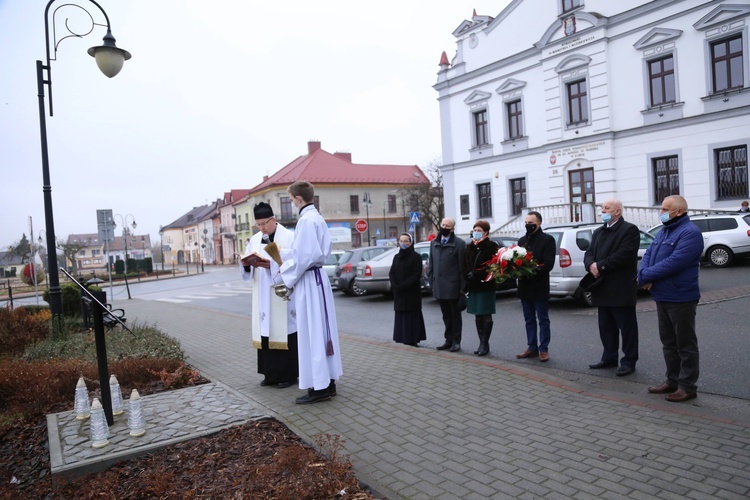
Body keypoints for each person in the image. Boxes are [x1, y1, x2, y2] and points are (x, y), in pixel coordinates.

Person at [274, 181, 343, 404]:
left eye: (292, 199)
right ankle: (328, 381)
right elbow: (304, 252)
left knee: (311, 332)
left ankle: (319, 387)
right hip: (318, 278)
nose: (292, 203)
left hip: (309, 282)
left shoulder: (305, 221)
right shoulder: (318, 218)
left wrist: (283, 272)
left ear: (298, 198)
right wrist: (282, 253)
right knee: (323, 331)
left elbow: (303, 259)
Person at [638, 195, 704, 402]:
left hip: (681, 296)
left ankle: (687, 386)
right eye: (661, 208)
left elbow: (675, 262)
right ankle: (672, 380)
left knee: (685, 344)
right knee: (668, 342)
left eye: (666, 209)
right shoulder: (664, 230)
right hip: (662, 294)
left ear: (679, 212)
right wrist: (642, 273)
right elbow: (648, 254)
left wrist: (646, 276)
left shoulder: (690, 233)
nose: (661, 212)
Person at [240, 202, 298, 388]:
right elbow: (248, 263)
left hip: (282, 291)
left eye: (264, 223)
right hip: (262, 292)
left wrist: (273, 265)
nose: (262, 228)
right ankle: (270, 374)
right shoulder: (255, 239)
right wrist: (247, 264)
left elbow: (295, 263)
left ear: (273, 220)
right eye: (258, 224)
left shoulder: (289, 237)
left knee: (283, 332)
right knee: (265, 331)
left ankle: (288, 375)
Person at [584, 199, 641, 376]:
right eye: (602, 208)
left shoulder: (629, 230)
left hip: (620, 287)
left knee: (627, 328)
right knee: (606, 326)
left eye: (607, 208)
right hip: (602, 286)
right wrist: (590, 264)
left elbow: (623, 255)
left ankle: (629, 361)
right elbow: (589, 252)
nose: (603, 211)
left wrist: (599, 267)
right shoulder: (599, 231)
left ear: (617, 212)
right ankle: (609, 357)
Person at [515, 211, 556, 362]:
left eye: (530, 223)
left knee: (543, 319)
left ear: (538, 224)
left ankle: (543, 349)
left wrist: (530, 268)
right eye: (526, 223)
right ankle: (531, 346)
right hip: (525, 286)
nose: (528, 225)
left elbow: (548, 264)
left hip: (539, 286)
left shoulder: (547, 240)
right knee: (529, 319)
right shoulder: (522, 241)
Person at [428, 217, 466, 352]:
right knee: (445, 315)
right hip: (439, 286)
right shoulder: (434, 243)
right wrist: (431, 279)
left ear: (452, 229)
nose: (444, 227)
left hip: (453, 287)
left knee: (454, 315)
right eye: (443, 224)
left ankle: (456, 341)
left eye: (447, 226)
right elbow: (431, 263)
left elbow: (463, 267)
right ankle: (448, 340)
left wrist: (462, 287)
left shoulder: (459, 244)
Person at [462, 220, 499, 356]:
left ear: (486, 232)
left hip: (485, 284)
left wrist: (477, 274)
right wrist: (466, 275)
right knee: (477, 314)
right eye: (475, 230)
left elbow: (493, 265)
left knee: (486, 314)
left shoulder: (491, 246)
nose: (476, 233)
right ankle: (481, 342)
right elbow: (465, 263)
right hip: (473, 285)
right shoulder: (470, 246)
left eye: (479, 231)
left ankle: (485, 343)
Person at [390, 233, 427, 347]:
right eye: (401, 241)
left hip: (411, 292)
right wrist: (396, 285)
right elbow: (392, 272)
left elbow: (416, 274)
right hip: (399, 293)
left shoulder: (416, 257)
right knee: (401, 316)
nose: (403, 243)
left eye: (406, 241)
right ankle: (402, 337)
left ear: (411, 243)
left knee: (412, 316)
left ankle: (413, 339)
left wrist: (403, 286)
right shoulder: (396, 257)